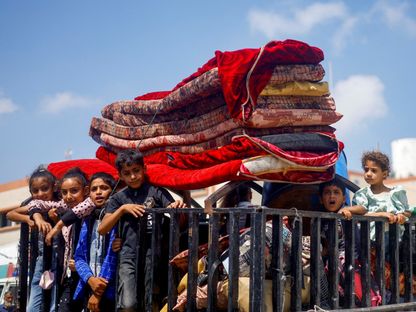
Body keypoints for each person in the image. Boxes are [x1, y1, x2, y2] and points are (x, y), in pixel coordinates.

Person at [98, 149, 186, 312]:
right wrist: (123, 209)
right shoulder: (118, 198)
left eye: (136, 171)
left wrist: (176, 206)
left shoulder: (156, 191)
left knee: (150, 301)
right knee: (128, 303)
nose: (132, 176)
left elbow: (174, 212)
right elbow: (102, 229)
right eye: (127, 173)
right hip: (128, 255)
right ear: (120, 175)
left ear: (144, 169)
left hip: (153, 255)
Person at [30, 167, 94, 312]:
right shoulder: (64, 205)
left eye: (74, 191)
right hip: (69, 274)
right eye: (64, 192)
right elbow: (35, 204)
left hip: (90, 272)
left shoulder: (90, 203)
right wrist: (37, 217)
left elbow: (80, 209)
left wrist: (56, 226)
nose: (68, 196)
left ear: (85, 190)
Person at [6, 167, 58, 312]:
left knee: (54, 301)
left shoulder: (60, 204)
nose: (40, 194)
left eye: (44, 189)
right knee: (33, 300)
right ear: (31, 193)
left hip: (59, 258)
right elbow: (10, 214)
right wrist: (29, 219)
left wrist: (55, 218)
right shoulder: (36, 206)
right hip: (41, 259)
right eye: (35, 191)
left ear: (54, 187)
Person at [73, 172, 117, 312]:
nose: (98, 192)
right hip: (88, 287)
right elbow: (79, 257)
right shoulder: (86, 220)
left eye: (104, 188)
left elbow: (113, 257)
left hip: (110, 290)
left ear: (113, 190)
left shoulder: (118, 219)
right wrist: (90, 279)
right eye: (94, 189)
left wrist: (98, 292)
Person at [352, 151, 411, 241]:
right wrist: (381, 214)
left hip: (395, 242)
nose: (368, 173)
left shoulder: (396, 193)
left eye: (374, 170)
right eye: (366, 170)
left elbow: (408, 212)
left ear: (384, 174)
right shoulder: (363, 194)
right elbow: (360, 216)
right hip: (371, 243)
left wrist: (401, 215)